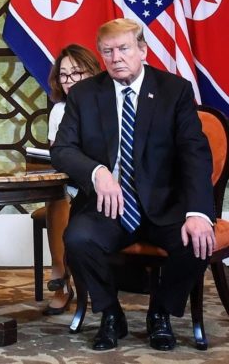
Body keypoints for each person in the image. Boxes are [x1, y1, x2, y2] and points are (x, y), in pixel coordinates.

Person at [51, 18, 215, 351]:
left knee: (197, 242)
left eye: (124, 49)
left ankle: (160, 313)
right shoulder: (84, 94)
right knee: (78, 239)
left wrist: (198, 211)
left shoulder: (174, 91)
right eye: (107, 51)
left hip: (165, 204)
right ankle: (111, 313)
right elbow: (63, 150)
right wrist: (98, 172)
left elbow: (195, 154)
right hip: (108, 206)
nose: (115, 58)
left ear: (142, 50)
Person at [42, 44, 101, 315]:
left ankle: (64, 275)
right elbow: (59, 155)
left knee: (64, 197)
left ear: (92, 73)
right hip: (71, 182)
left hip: (102, 182)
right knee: (56, 195)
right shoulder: (59, 111)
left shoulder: (108, 104)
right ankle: (60, 277)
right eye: (63, 75)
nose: (69, 81)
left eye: (76, 73)